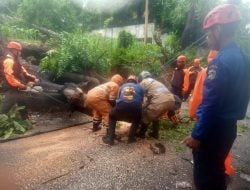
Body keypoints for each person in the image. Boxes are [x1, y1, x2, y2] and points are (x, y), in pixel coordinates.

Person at [183, 4, 250, 190]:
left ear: (218, 29)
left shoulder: (219, 63)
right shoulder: (244, 58)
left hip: (213, 131)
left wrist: (197, 134)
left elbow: (211, 103)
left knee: (205, 179)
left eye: (209, 32)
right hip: (229, 129)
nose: (207, 37)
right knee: (217, 171)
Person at [137, 71, 182, 139]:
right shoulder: (156, 82)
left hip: (159, 101)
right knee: (155, 115)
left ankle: (141, 133)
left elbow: (139, 94)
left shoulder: (143, 82)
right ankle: (155, 134)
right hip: (171, 100)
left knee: (146, 115)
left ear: (141, 77)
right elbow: (152, 97)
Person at [0, 41, 39, 119]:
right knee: (6, 107)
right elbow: (9, 76)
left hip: (17, 86)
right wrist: (20, 85)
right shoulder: (9, 61)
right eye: (19, 51)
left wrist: (33, 79)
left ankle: (25, 120)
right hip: (11, 87)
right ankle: (1, 120)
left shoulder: (15, 60)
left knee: (22, 102)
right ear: (14, 50)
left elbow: (24, 72)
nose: (20, 52)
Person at [102, 75, 144, 145]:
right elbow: (142, 101)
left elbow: (118, 98)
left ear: (127, 80)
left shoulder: (122, 86)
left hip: (121, 106)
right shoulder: (140, 87)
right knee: (137, 119)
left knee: (112, 116)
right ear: (136, 81)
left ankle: (110, 138)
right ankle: (131, 138)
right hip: (135, 108)